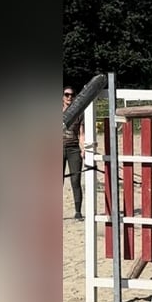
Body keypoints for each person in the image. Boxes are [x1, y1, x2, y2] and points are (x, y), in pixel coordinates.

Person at [63, 86, 85, 220]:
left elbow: (81, 134)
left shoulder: (79, 113)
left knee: (75, 180)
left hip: (73, 149)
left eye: (72, 95)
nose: (69, 97)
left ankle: (78, 211)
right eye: (66, 94)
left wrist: (83, 149)